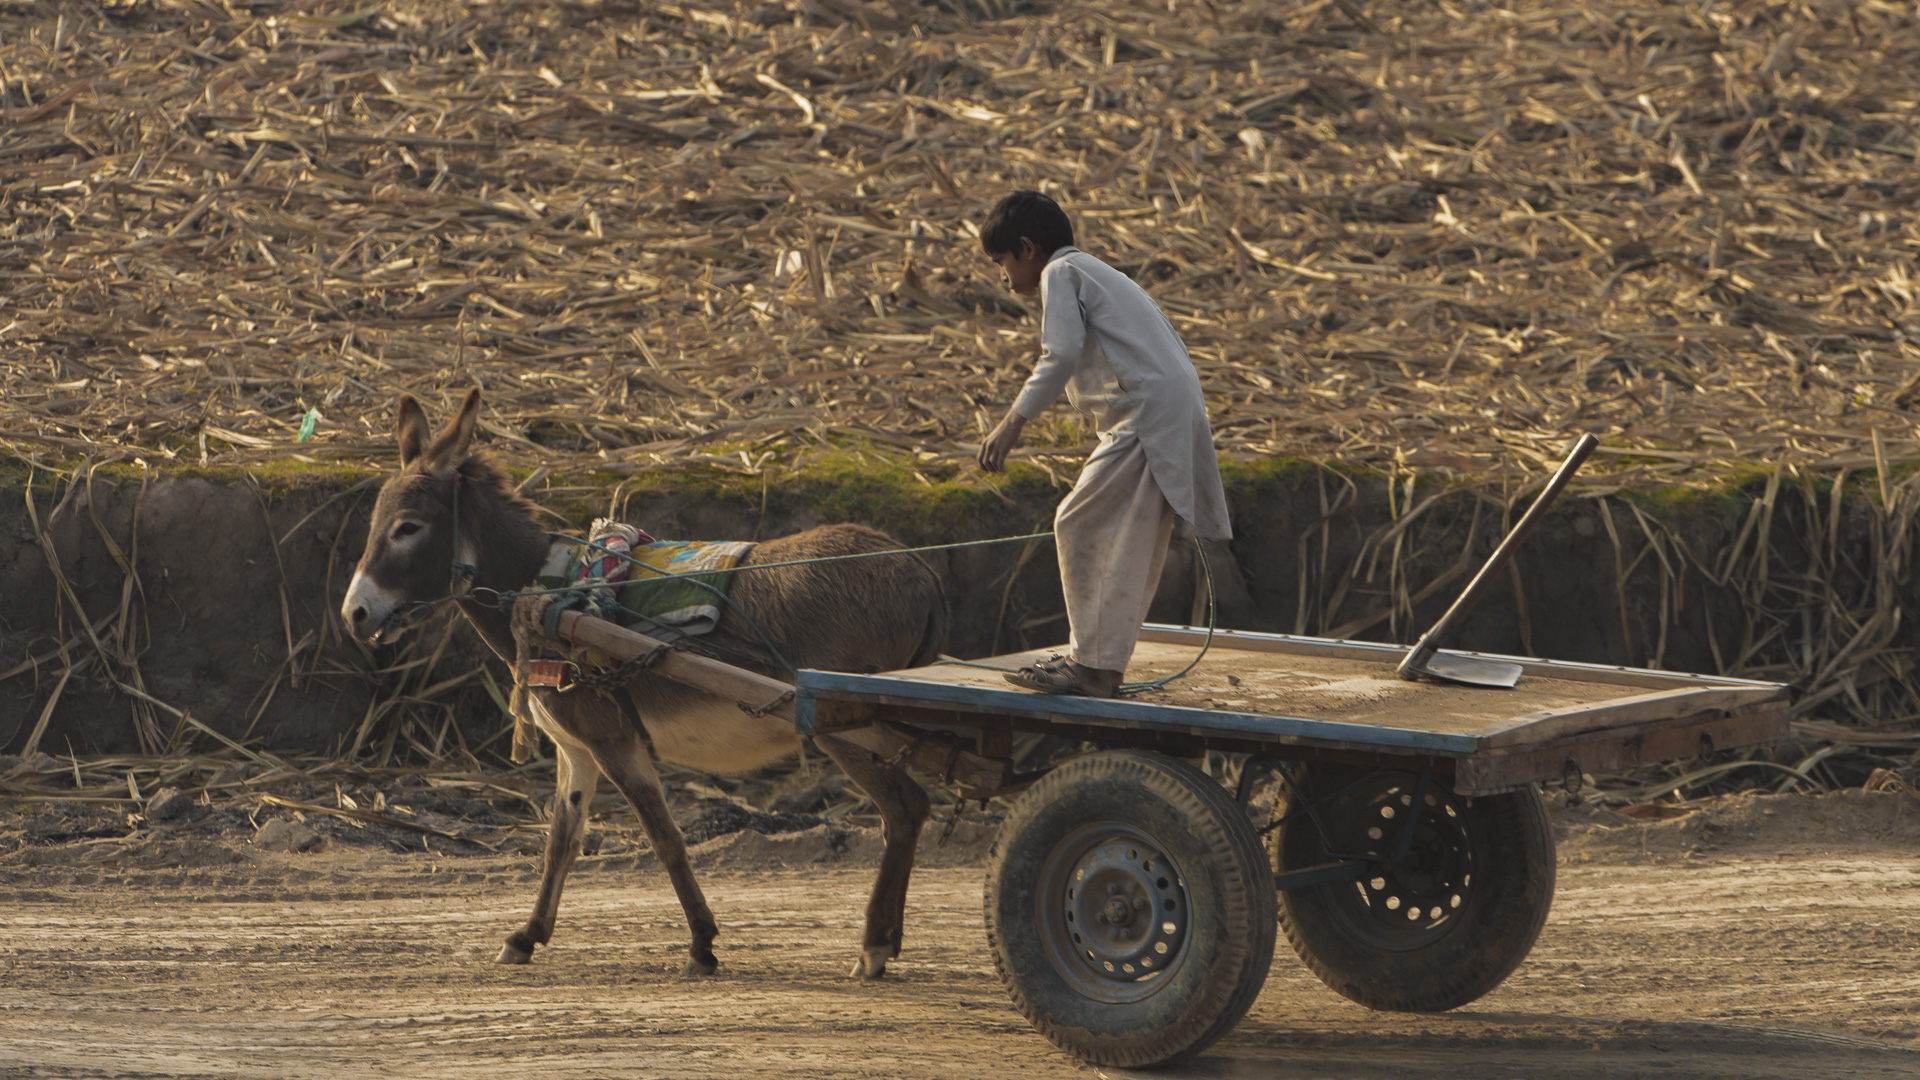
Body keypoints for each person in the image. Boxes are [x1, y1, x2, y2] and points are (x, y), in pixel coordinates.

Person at [976, 190, 1231, 698]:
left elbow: (1061, 353)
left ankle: (1090, 668)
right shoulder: (1092, 270)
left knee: (1077, 522)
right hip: (1162, 408)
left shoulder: (1060, 273)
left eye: (1002, 260)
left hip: (1144, 413)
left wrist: (1011, 423)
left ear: (1027, 248)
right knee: (1128, 538)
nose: (1003, 275)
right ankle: (1101, 665)